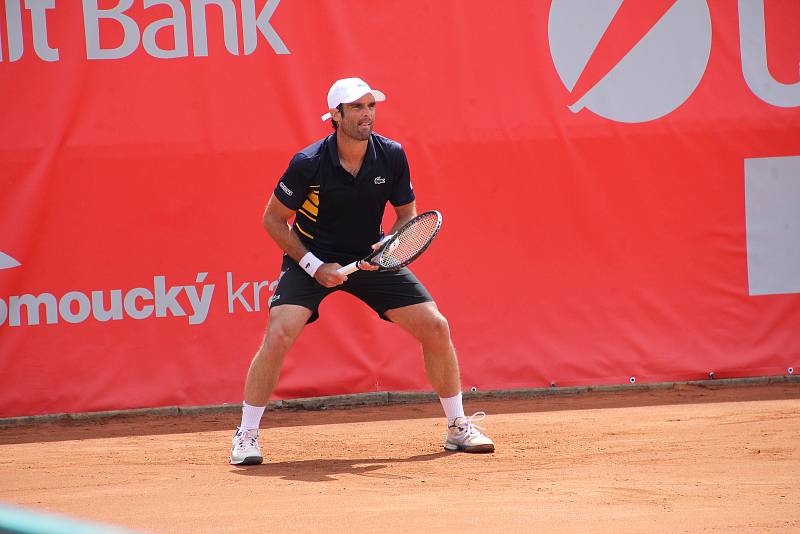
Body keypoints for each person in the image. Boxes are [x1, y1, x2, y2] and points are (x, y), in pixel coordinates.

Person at [230, 77, 494, 465]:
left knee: (435, 326)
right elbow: (273, 219)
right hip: (311, 257)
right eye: (356, 107)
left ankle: (457, 427)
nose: (366, 113)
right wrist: (314, 265)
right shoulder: (308, 163)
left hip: (370, 256)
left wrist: (388, 243)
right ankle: (246, 434)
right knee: (279, 332)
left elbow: (408, 215)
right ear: (335, 116)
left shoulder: (391, 155)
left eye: (370, 105)